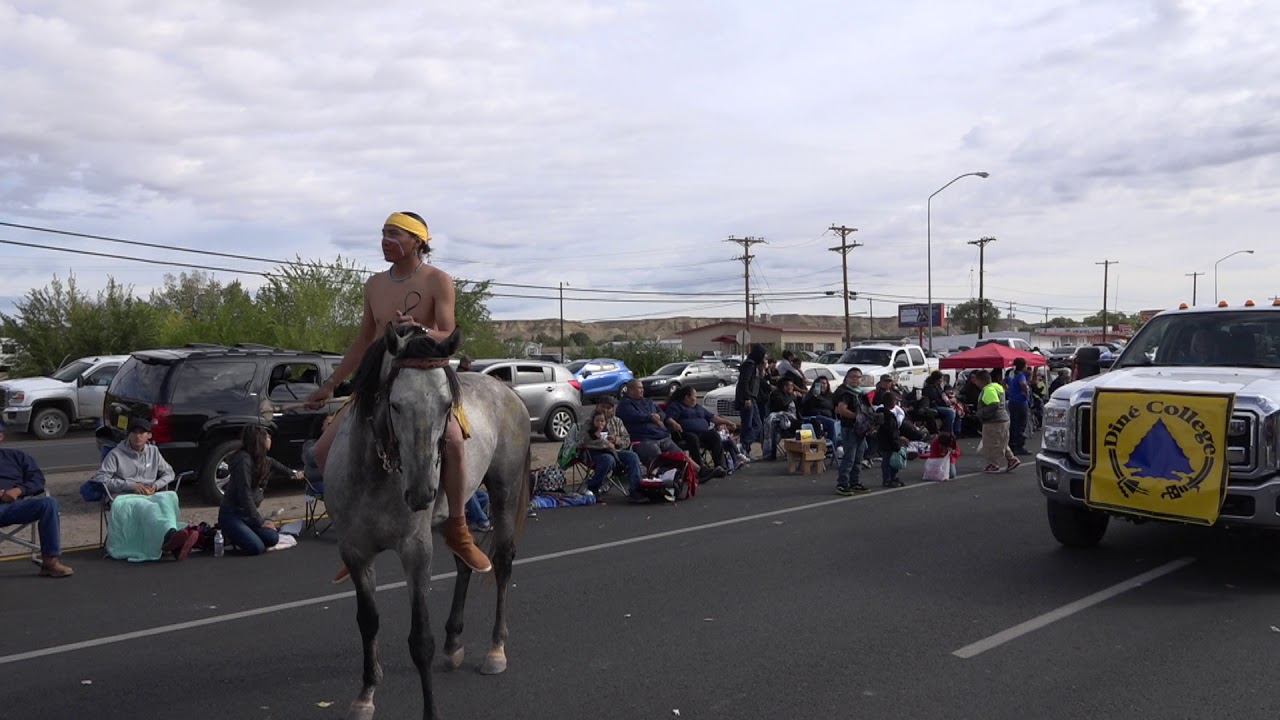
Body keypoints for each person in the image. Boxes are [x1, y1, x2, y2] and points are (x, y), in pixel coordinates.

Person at [303, 211, 491, 573]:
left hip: (425, 378)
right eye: (383, 233)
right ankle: (354, 536)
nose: (385, 240)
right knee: (324, 451)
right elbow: (364, 340)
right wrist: (330, 384)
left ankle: (458, 528)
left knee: (452, 440)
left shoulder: (439, 280)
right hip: (378, 382)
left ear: (417, 240)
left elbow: (448, 335)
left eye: (394, 233)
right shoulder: (374, 284)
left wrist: (418, 327)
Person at [0, 421, 72, 577]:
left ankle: (50, 562)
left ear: (1, 436)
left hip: (13, 506)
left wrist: (19, 490)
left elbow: (38, 480)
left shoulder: (17, 457)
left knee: (49, 503)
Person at [218, 424, 302, 556]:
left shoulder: (260, 459)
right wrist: (260, 522)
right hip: (232, 515)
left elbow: (275, 464)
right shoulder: (243, 460)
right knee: (256, 547)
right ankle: (228, 534)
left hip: (248, 516)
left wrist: (293, 473)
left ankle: (244, 533)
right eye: (267, 437)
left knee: (272, 538)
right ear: (259, 440)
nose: (270, 440)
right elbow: (245, 495)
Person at [617, 380, 711, 478]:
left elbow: (662, 413)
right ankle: (667, 477)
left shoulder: (648, 401)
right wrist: (651, 417)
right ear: (631, 390)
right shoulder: (624, 405)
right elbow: (635, 416)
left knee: (679, 453)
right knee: (658, 455)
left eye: (642, 388)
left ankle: (699, 471)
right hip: (642, 439)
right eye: (639, 388)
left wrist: (658, 416)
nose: (642, 390)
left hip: (660, 435)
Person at [90, 418, 176, 496]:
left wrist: (156, 485)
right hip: (124, 495)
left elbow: (169, 473)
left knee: (169, 502)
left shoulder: (154, 452)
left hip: (149, 495)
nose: (138, 436)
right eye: (134, 432)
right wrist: (130, 486)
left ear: (149, 435)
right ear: (129, 435)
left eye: (142, 432)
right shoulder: (116, 454)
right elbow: (100, 478)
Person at [577, 406, 646, 499]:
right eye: (603, 405)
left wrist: (616, 440)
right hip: (594, 453)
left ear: (613, 409)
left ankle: (636, 490)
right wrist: (605, 444)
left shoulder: (617, 422)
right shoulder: (589, 424)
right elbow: (583, 441)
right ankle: (593, 487)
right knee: (608, 459)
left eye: (608, 407)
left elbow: (626, 441)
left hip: (615, 451)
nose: (605, 409)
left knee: (633, 456)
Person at [664, 385, 735, 474]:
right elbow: (668, 418)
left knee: (715, 436)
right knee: (693, 438)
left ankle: (720, 466)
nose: (696, 399)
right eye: (695, 396)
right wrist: (674, 423)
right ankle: (700, 469)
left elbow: (712, 417)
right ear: (687, 397)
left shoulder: (697, 407)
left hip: (702, 433)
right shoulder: (676, 406)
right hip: (684, 434)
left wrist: (728, 422)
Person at [832, 367, 871, 495]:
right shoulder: (846, 394)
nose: (855, 379)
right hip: (850, 429)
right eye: (852, 376)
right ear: (847, 379)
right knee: (849, 458)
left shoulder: (861, 394)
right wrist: (857, 416)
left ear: (861, 379)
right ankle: (842, 484)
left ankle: (854, 482)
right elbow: (842, 410)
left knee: (858, 458)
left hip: (861, 430)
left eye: (858, 377)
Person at [974, 370, 1019, 473]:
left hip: (994, 421)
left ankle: (993, 464)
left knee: (991, 443)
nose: (975, 383)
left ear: (981, 381)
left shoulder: (988, 390)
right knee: (1002, 441)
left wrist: (981, 413)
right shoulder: (997, 386)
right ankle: (1011, 459)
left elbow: (994, 404)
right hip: (1003, 419)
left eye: (976, 381)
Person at [734, 344, 767, 458]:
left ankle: (744, 450)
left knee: (755, 425)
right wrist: (747, 398)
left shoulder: (755, 366)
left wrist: (762, 369)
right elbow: (744, 382)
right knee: (750, 425)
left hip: (753, 398)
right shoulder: (749, 365)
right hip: (747, 399)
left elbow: (758, 382)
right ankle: (743, 446)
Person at [876, 392, 909, 488]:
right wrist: (897, 441)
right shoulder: (887, 416)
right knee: (888, 461)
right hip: (889, 442)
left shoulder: (883, 413)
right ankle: (887, 479)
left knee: (893, 461)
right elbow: (891, 431)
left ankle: (894, 477)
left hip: (887, 441)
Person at [1005, 358, 1032, 456]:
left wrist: (1009, 390)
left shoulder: (1011, 374)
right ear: (1023, 366)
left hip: (1012, 401)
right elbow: (1023, 384)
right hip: (1021, 402)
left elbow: (1003, 382)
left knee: (1013, 423)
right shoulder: (1021, 375)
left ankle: (1011, 444)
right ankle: (1019, 446)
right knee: (1021, 424)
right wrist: (1026, 393)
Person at [799, 376, 838, 442]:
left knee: (839, 424)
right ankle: (830, 445)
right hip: (815, 417)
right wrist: (814, 397)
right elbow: (805, 408)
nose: (822, 385)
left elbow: (832, 408)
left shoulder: (830, 396)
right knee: (833, 424)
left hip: (828, 417)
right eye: (820, 384)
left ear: (827, 385)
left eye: (824, 383)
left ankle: (836, 445)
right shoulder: (811, 395)